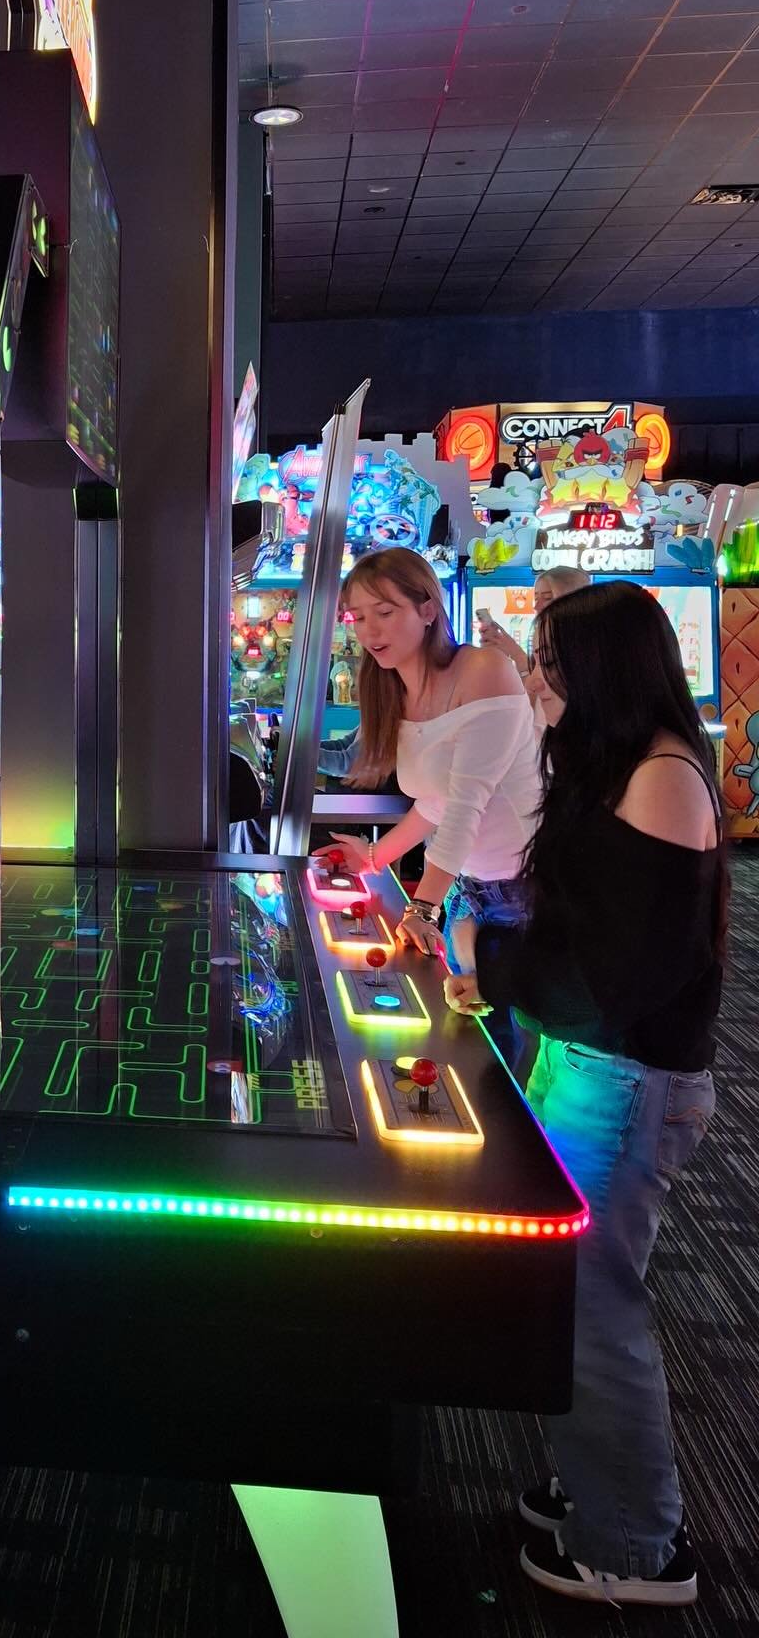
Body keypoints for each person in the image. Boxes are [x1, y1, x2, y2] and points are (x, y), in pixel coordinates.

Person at [447, 581, 721, 1607]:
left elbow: (619, 977)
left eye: (551, 665)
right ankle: (604, 1488)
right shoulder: (623, 764)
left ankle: (634, 1548)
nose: (535, 682)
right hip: (601, 1065)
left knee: (591, 1307)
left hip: (627, 1079)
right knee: (575, 1296)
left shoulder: (661, 777)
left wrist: (489, 956)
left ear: (607, 670)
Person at [320, 548, 539, 1057]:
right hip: (471, 886)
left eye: (384, 611)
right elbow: (434, 802)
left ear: (427, 609)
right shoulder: (393, 689)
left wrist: (423, 906)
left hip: (524, 893)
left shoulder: (484, 668)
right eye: (357, 617)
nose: (369, 630)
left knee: (503, 1052)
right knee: (467, 1037)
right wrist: (374, 858)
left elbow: (465, 804)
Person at [478, 567, 591, 726]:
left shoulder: (581, 650)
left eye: (547, 598)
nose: (537, 606)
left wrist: (516, 654)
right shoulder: (544, 637)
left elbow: (534, 711)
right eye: (536, 598)